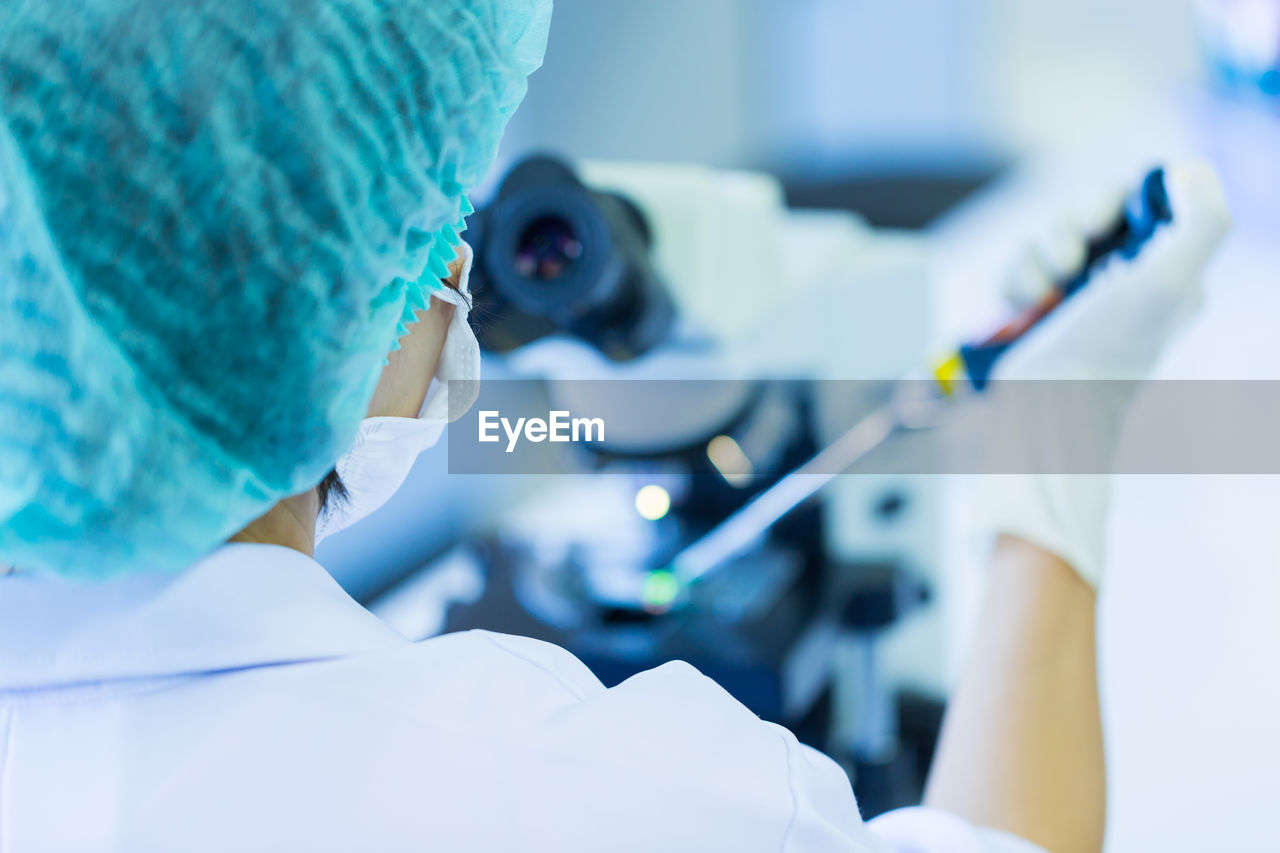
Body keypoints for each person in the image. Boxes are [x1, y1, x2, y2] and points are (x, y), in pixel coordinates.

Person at [0, 1, 1232, 851]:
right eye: (437, 236)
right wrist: (1051, 463)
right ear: (343, 290)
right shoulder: (563, 796)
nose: (459, 281)